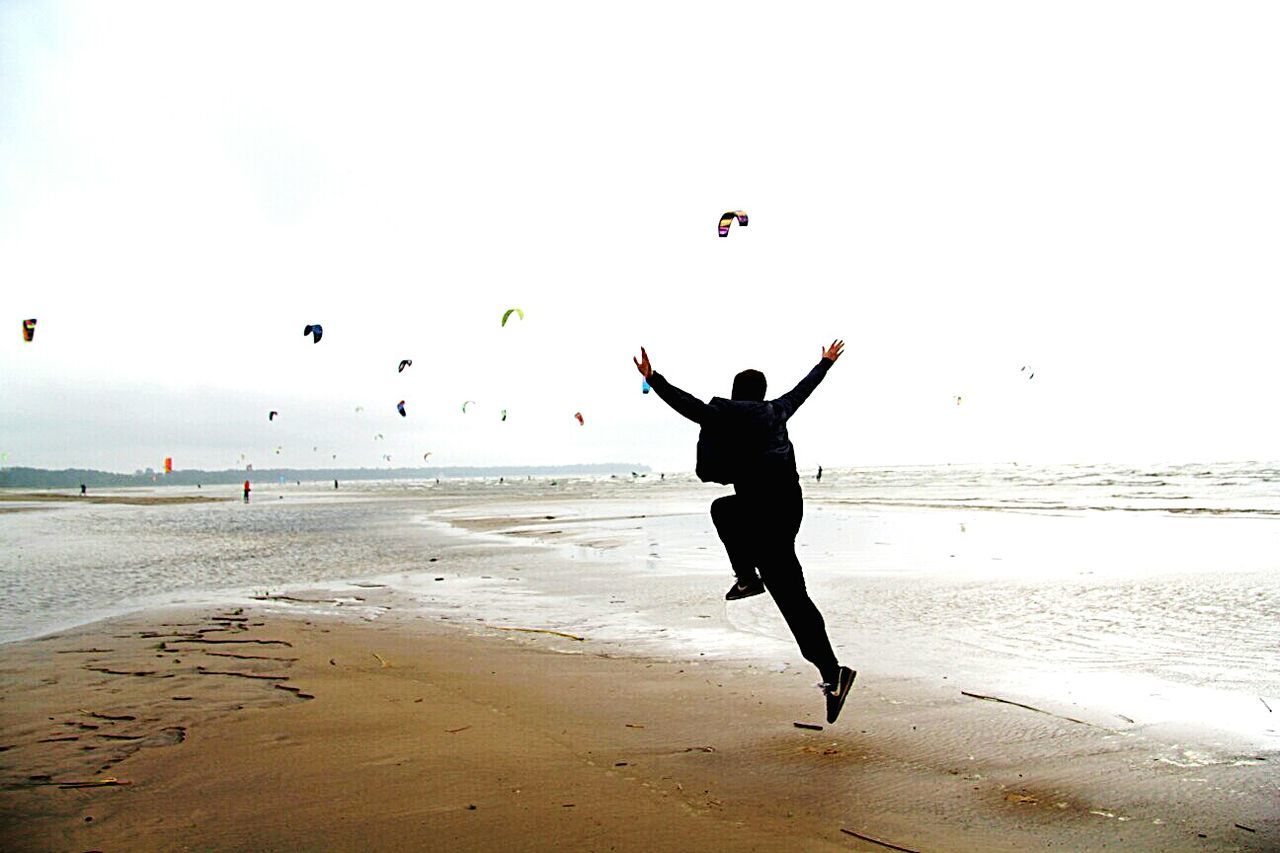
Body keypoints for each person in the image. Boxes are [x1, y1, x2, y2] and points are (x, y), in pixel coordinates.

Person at [633, 341, 856, 723]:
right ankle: (831, 673)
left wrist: (654, 379)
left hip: (757, 510)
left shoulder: (722, 414)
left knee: (725, 511)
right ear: (762, 392)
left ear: (736, 392)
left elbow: (687, 406)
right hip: (788, 508)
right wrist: (825, 363)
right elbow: (805, 389)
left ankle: (748, 580)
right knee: (791, 593)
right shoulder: (776, 410)